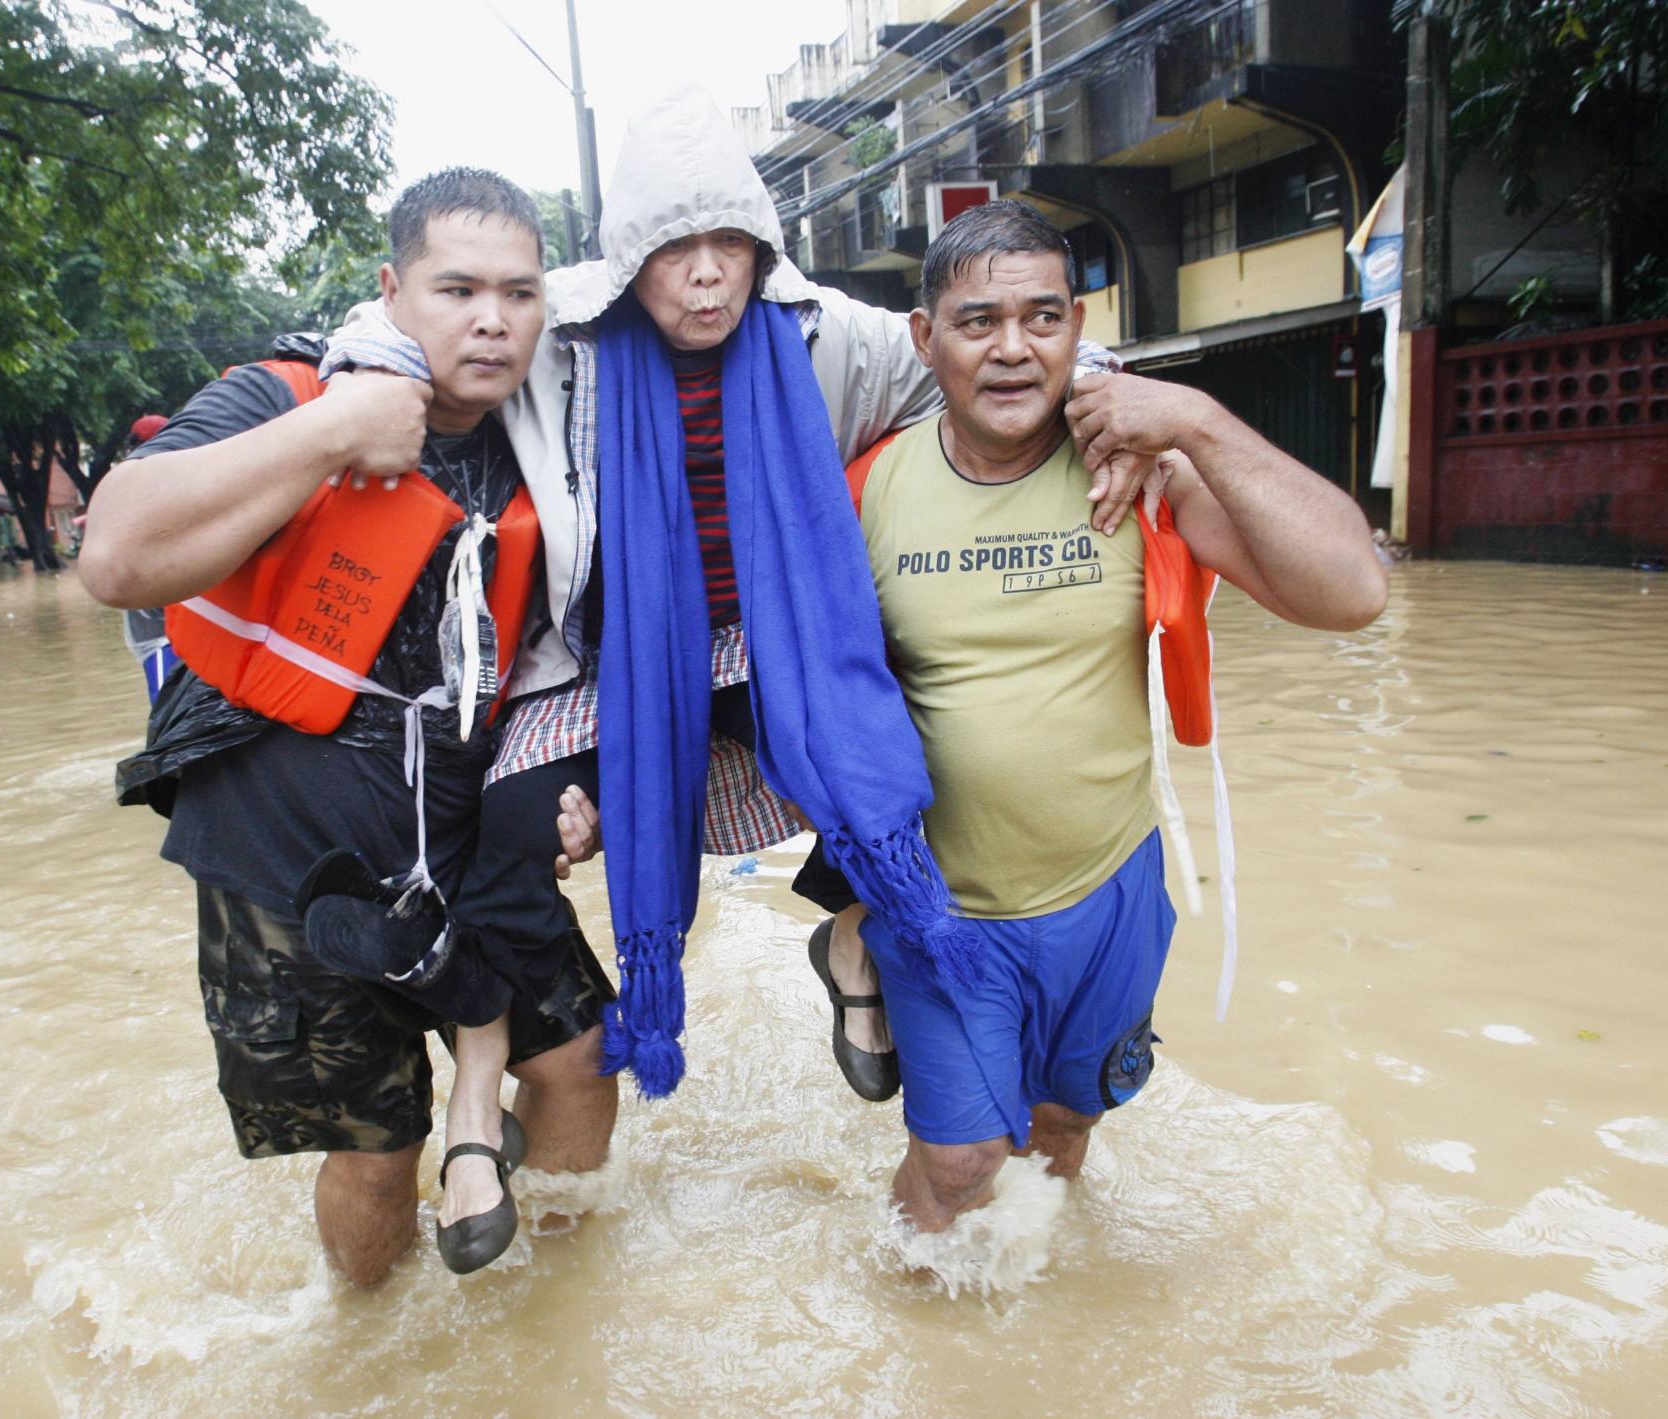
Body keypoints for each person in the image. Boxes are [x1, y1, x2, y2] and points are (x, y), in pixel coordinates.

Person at [330, 88, 1158, 1107]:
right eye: (676, 248)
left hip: (778, 640)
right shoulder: (559, 331)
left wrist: (1117, 403)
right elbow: (406, 320)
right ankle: (493, 1079)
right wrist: (364, 383)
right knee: (506, 837)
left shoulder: (821, 330)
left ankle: (856, 942)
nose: (709, 272)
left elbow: (995, 352)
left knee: (897, 765)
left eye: (732, 241)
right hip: (609, 663)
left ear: (763, 246)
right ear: (630, 257)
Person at [791, 200, 1388, 1264]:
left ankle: (1038, 1327)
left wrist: (1196, 421)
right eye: (976, 322)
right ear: (924, 340)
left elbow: (1351, 593)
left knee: (1064, 1130)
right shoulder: (866, 489)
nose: (1013, 349)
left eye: (1041, 317)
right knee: (961, 1162)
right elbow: (800, 698)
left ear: (1079, 327)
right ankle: (910, 1326)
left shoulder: (1145, 471)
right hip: (944, 913)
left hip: (1109, 887)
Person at [79, 169, 617, 1284]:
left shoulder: (557, 436)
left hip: (465, 835)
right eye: (456, 287)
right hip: (285, 851)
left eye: (518, 294)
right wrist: (331, 432)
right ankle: (371, 1352)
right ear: (390, 289)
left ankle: (556, 1324)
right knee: (377, 1151)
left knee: (577, 1057)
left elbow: (584, 658)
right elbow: (114, 554)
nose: (490, 319)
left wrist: (584, 791)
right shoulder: (288, 392)